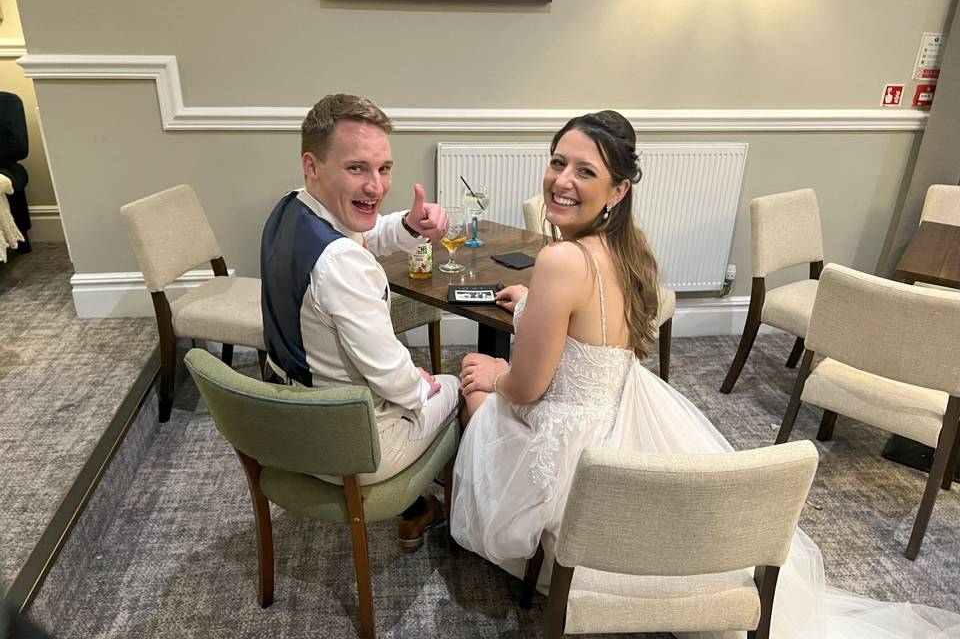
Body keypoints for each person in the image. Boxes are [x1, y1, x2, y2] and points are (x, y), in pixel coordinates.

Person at [450, 110, 960, 637]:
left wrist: (495, 374)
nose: (562, 180)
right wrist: (534, 307)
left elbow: (529, 385)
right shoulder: (628, 248)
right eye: (558, 162)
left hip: (577, 437)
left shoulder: (560, 258)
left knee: (474, 396)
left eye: (585, 171)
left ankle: (522, 550)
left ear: (617, 189)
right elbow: (590, 327)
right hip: (622, 408)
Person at [260, 94, 459, 549]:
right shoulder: (342, 265)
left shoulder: (290, 208)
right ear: (313, 165)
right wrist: (420, 386)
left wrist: (407, 226)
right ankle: (435, 512)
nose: (377, 186)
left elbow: (358, 232)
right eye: (357, 169)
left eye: (384, 168)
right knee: (462, 383)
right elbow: (391, 376)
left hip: (285, 420)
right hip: (346, 444)